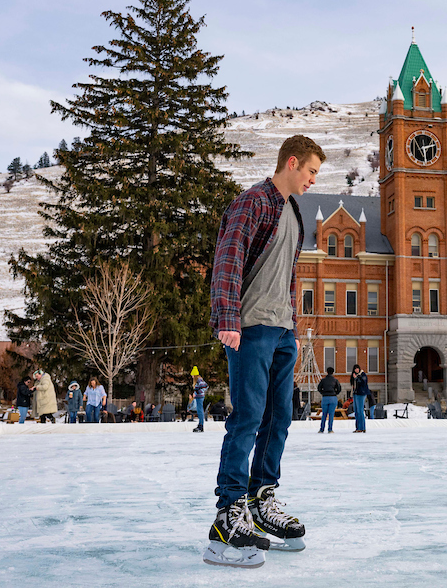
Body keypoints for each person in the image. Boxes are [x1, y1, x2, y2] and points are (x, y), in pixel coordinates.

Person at [203, 135, 324, 568]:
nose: (313, 180)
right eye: (311, 171)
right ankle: (228, 513)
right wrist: (228, 318)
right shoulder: (253, 202)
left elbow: (287, 272)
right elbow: (229, 259)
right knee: (247, 417)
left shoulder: (293, 210)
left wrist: (292, 323)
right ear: (292, 163)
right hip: (250, 328)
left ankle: (260, 499)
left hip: (282, 331)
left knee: (279, 418)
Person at [317, 367, 341, 433]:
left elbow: (319, 388)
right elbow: (339, 388)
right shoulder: (335, 380)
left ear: (327, 372)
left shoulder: (323, 380)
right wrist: (335, 393)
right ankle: (330, 429)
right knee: (331, 414)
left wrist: (323, 393)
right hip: (333, 397)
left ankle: (321, 429)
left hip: (325, 397)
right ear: (333, 372)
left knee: (324, 414)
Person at [350, 365, 372, 433]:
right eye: (355, 369)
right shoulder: (354, 376)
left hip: (361, 394)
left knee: (360, 411)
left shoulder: (363, 374)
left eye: (357, 369)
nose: (356, 370)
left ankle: (362, 427)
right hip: (355, 394)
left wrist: (356, 378)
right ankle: (358, 427)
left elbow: (363, 383)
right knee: (356, 411)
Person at [191, 367, 208, 432]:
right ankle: (200, 424)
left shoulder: (199, 380)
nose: (192, 376)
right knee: (199, 411)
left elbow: (204, 386)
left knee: (200, 411)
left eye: (192, 375)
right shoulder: (199, 380)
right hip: (199, 397)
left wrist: (197, 392)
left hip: (199, 397)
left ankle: (201, 425)